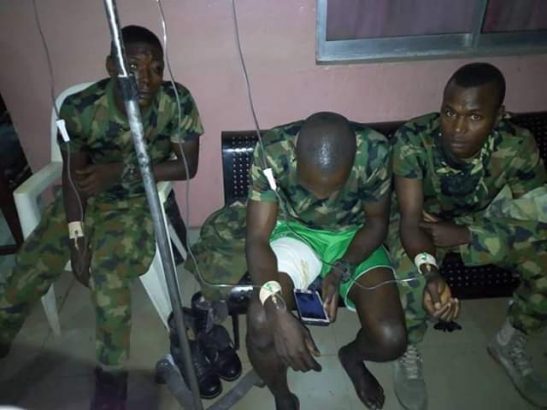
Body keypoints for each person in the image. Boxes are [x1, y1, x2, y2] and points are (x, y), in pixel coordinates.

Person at [0, 26, 203, 410]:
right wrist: (76, 237)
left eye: (156, 68)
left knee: (109, 281)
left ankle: (111, 380)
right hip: (86, 196)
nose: (146, 79)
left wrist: (121, 172)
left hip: (134, 201)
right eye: (133, 67)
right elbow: (72, 175)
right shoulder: (81, 108)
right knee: (28, 269)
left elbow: (186, 166)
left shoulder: (176, 100)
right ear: (112, 66)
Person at [389, 62, 547, 409]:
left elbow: (536, 223)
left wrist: (466, 235)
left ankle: (510, 340)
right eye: (450, 112)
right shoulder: (414, 139)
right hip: (423, 226)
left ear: (499, 116)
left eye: (474, 117)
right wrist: (431, 272)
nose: (457, 128)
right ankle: (408, 346)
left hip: (478, 226)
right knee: (409, 273)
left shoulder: (517, 146)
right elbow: (410, 222)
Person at [246, 112, 407, 410]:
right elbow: (256, 238)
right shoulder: (273, 151)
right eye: (311, 188)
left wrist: (341, 269)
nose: (323, 199)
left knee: (391, 338)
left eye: (334, 189)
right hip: (295, 231)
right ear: (295, 157)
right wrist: (278, 312)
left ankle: (352, 357)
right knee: (261, 318)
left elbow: (376, 223)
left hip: (353, 235)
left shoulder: (375, 152)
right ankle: (281, 394)